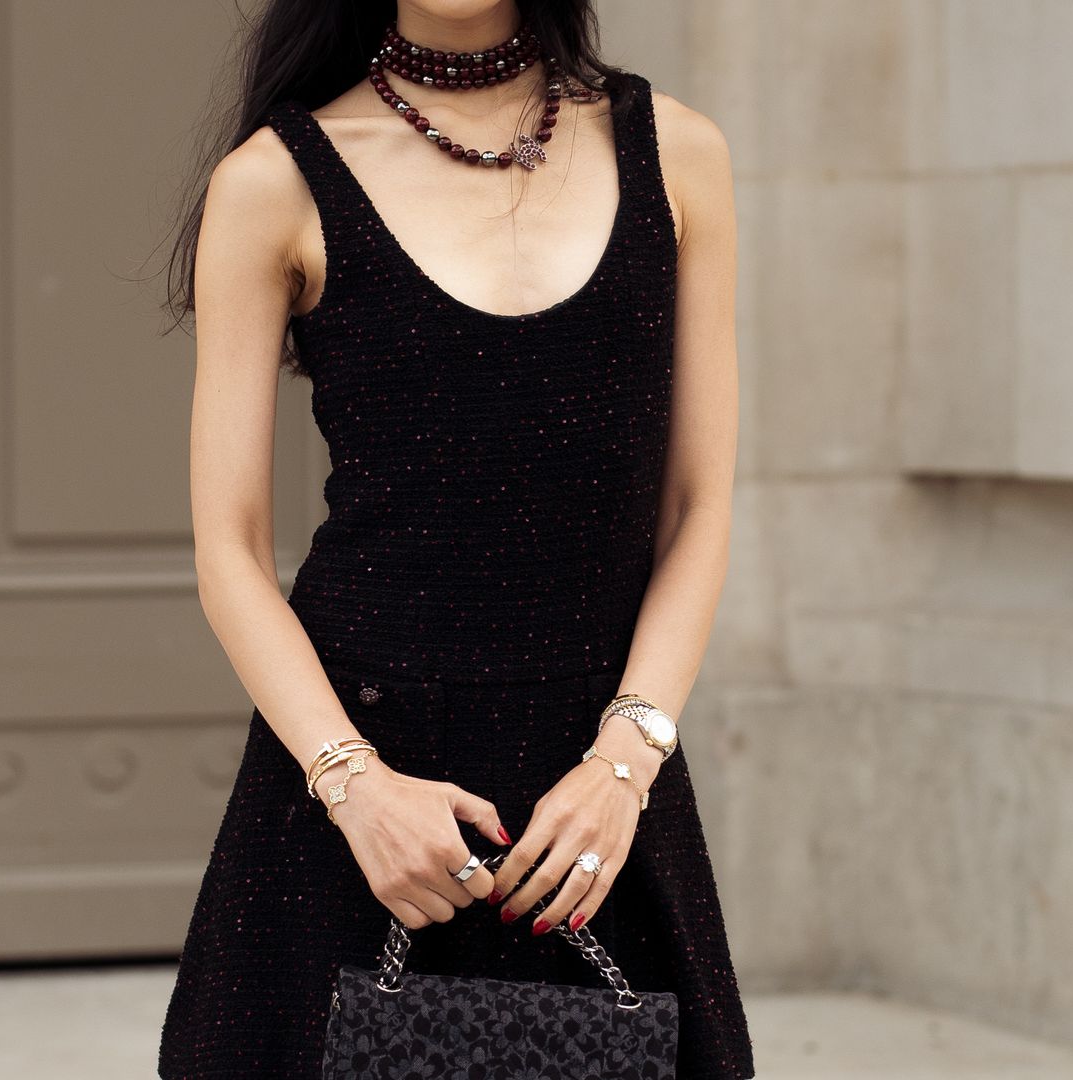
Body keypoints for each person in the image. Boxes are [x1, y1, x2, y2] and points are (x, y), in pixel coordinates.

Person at [155, 1, 751, 1076]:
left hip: (595, 810)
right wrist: (355, 787)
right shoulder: (273, 181)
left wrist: (627, 761)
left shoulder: (681, 155)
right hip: (359, 805)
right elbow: (229, 549)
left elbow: (699, 506)